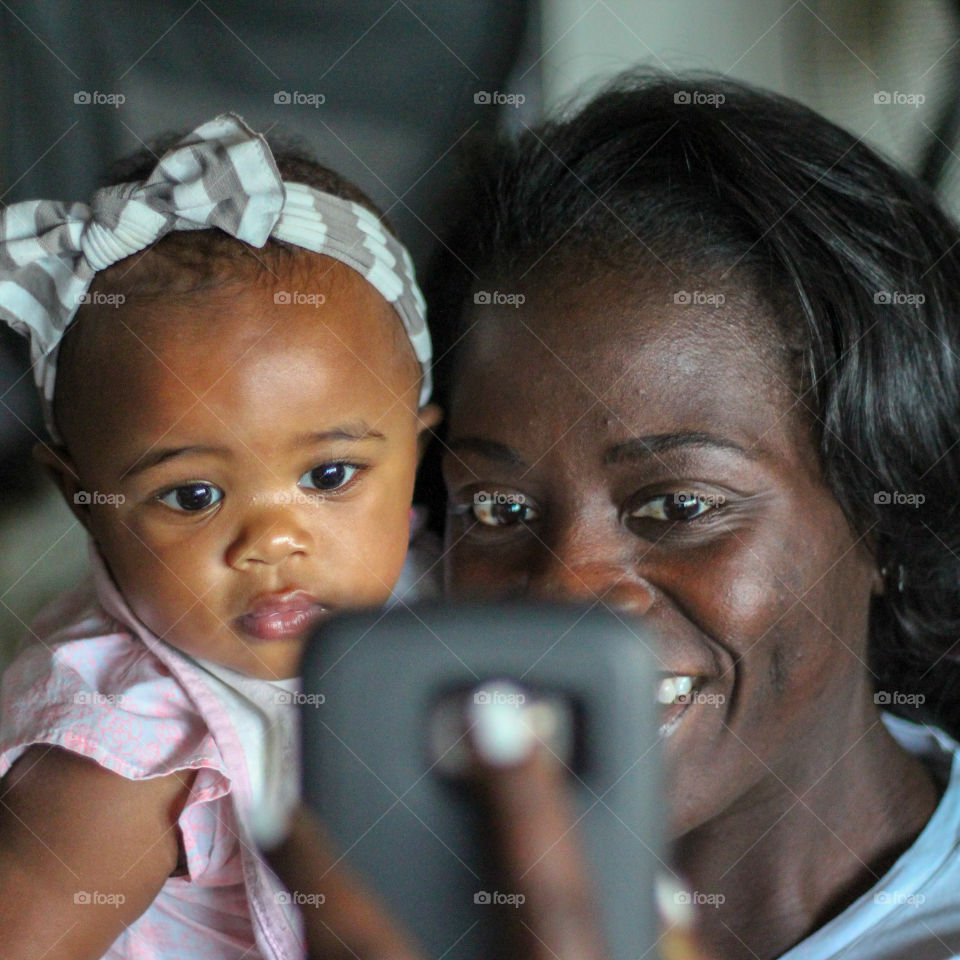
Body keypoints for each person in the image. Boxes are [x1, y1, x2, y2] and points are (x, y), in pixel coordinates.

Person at [266, 72, 960, 960]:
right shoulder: (364, 899)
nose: (565, 590)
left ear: (886, 515)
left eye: (678, 506)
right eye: (499, 507)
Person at [0, 114, 440, 959]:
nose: (273, 539)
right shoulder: (130, 758)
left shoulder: (442, 592)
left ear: (416, 454)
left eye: (330, 476)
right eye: (193, 494)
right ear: (81, 496)